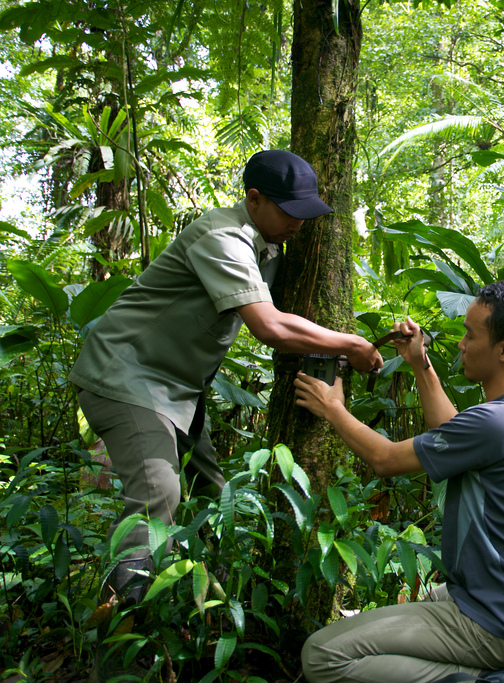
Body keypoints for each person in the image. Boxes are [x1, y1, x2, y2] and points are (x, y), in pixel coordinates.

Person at [70, 150, 384, 604]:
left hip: (179, 392)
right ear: (253, 199)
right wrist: (351, 343)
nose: (299, 223)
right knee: (159, 494)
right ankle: (121, 627)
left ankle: (204, 611)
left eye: (305, 212)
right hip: (128, 378)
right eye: (288, 211)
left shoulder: (269, 245)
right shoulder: (222, 237)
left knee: (219, 501)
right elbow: (270, 326)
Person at [295, 280, 504, 683]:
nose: (461, 345)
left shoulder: (494, 423)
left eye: (470, 336)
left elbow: (384, 459)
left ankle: (487, 679)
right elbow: (454, 431)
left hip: (495, 621)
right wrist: (419, 363)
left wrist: (333, 408)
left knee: (320, 655)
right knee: (427, 602)